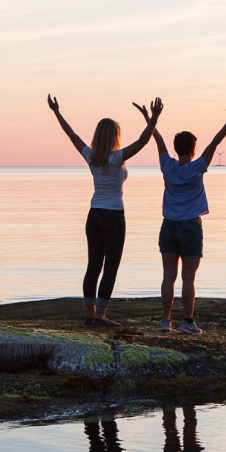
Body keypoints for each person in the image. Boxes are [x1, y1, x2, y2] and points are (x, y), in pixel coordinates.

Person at [48, 94, 164, 327]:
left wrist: (56, 112)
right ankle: (100, 316)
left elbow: (71, 135)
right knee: (110, 266)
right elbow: (143, 141)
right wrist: (153, 119)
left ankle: (89, 315)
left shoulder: (91, 156)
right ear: (114, 137)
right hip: (113, 216)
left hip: (93, 216)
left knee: (93, 266)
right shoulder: (116, 158)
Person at [134, 103, 226, 334]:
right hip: (191, 228)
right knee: (188, 278)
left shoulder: (167, 166)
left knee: (168, 276)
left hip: (168, 226)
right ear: (193, 150)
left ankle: (165, 321)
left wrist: (149, 117)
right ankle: (187, 322)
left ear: (176, 149)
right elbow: (215, 143)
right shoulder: (197, 168)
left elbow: (157, 137)